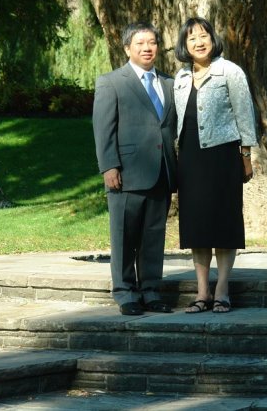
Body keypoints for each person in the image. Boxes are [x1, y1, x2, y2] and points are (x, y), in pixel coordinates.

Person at [93, 22, 177, 316]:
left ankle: (151, 290)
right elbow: (103, 128)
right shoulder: (111, 82)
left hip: (162, 170)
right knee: (124, 235)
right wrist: (109, 166)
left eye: (152, 42)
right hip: (125, 173)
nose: (147, 48)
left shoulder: (169, 82)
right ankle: (125, 292)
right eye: (140, 43)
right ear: (127, 48)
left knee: (153, 237)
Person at [174, 17, 257, 313]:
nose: (199, 41)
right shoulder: (181, 77)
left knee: (224, 223)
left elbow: (244, 114)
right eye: (192, 37)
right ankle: (202, 291)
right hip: (191, 158)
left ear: (213, 38)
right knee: (196, 227)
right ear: (184, 44)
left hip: (223, 157)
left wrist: (246, 156)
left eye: (204, 35)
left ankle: (222, 288)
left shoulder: (229, 71)